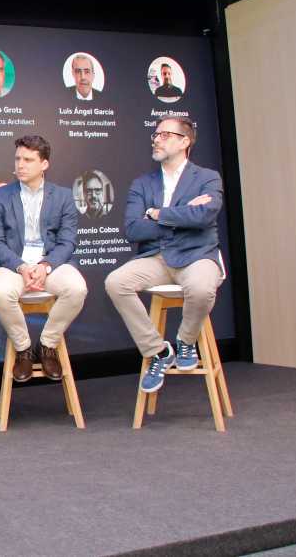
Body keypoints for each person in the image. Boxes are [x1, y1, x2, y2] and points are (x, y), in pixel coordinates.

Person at [105, 115, 223, 393]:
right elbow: (134, 230)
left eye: (164, 135)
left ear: (185, 141)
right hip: (156, 258)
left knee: (202, 287)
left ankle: (186, 341)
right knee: (116, 282)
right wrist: (182, 218)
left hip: (197, 254)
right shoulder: (142, 184)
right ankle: (158, 351)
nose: (156, 139)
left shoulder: (207, 177)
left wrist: (157, 214)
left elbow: (204, 217)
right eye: (155, 135)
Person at [0, 135, 87, 381]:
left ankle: (48, 345)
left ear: (44, 164)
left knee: (76, 288)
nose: (20, 164)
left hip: (51, 263)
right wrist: (21, 267)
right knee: (0, 293)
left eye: (28, 160)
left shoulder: (63, 196)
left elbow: (68, 242)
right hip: (12, 265)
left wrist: (46, 265)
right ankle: (23, 350)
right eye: (18, 158)